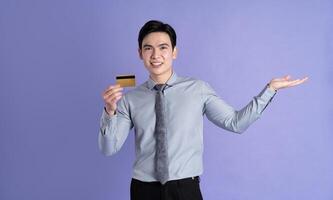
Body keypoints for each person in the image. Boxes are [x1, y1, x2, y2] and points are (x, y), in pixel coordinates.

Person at [99, 20, 308, 200]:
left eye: (163, 47)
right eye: (148, 48)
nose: (156, 55)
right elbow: (109, 149)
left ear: (174, 52)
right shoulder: (129, 98)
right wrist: (109, 112)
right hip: (143, 189)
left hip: (185, 189)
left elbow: (236, 123)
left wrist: (269, 90)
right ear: (140, 53)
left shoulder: (197, 89)